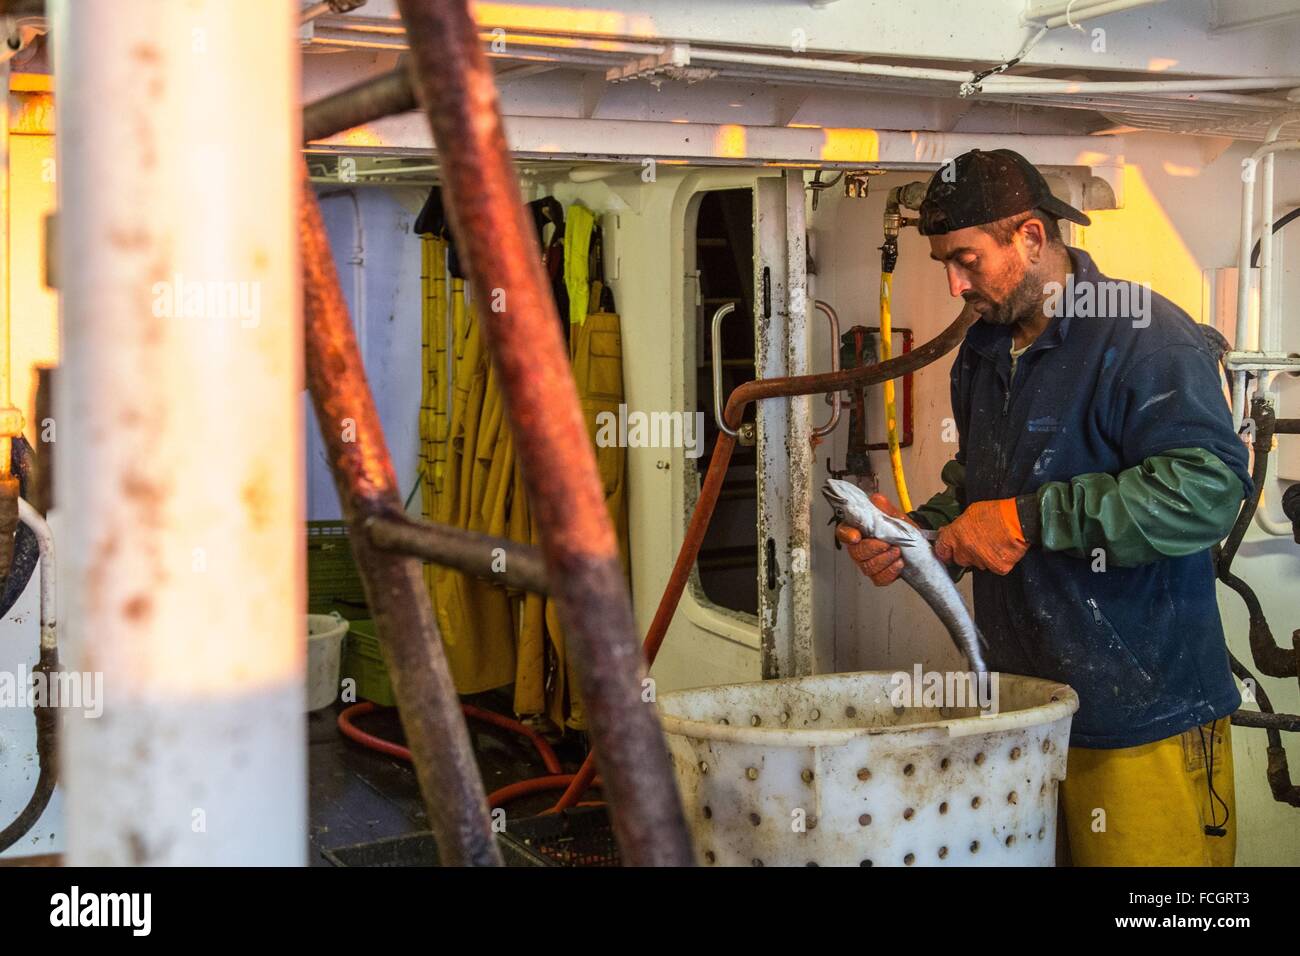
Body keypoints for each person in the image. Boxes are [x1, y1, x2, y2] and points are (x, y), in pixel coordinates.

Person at [837, 149, 1250, 866]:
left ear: (1030, 237)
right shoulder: (985, 350)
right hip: (1023, 709)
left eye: (966, 259)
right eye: (943, 262)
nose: (954, 282)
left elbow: (1208, 489)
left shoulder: (1144, 335)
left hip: (1141, 716)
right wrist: (917, 533)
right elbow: (982, 488)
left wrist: (1032, 519)